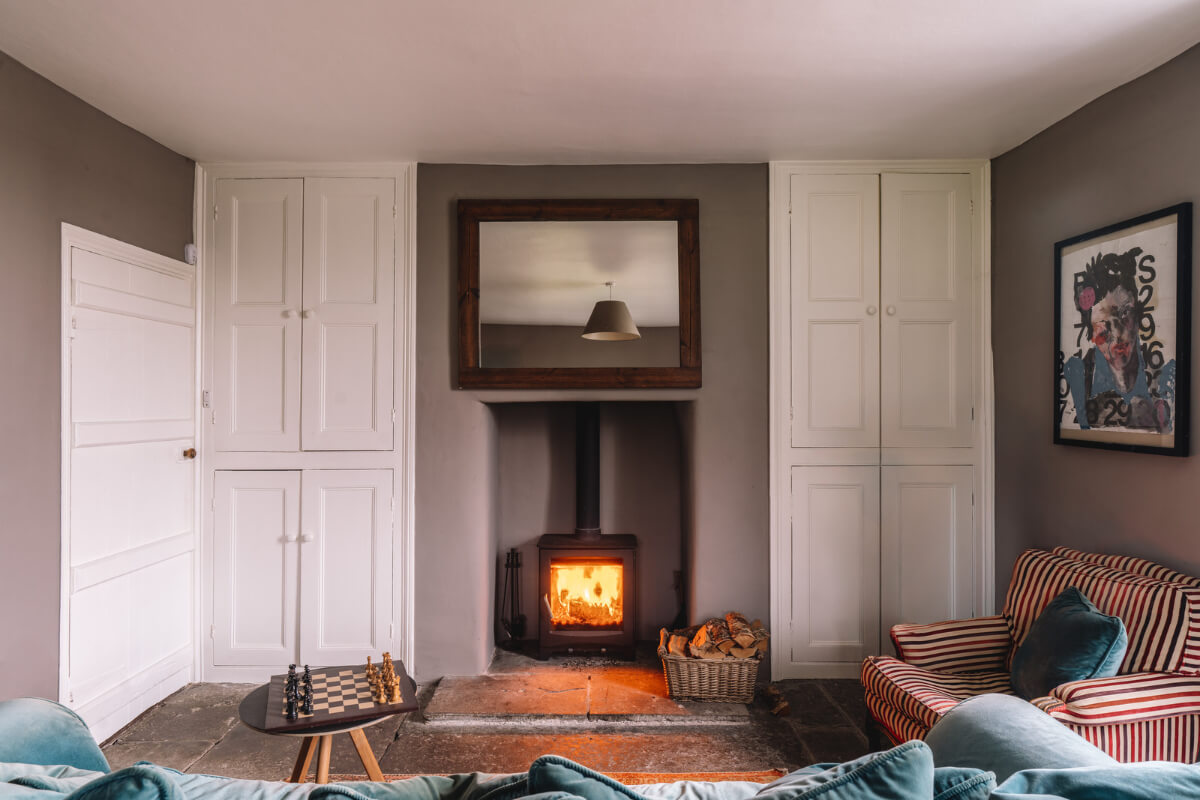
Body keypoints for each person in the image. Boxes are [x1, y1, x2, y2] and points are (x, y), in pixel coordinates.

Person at [1062, 247, 1174, 432]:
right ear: (1092, 335)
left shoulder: (1165, 376)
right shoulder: (1078, 378)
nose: (1117, 333)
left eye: (1124, 313)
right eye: (1103, 326)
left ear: (1137, 317)